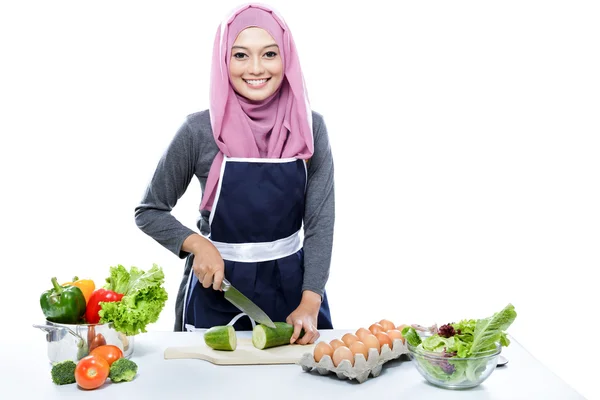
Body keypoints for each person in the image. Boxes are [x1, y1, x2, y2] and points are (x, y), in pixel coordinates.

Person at [134, 3, 334, 345]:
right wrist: (197, 245)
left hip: (293, 291)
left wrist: (310, 300)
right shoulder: (199, 131)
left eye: (269, 53)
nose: (256, 68)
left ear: (286, 57)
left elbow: (319, 223)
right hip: (219, 291)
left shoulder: (310, 127)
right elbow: (150, 211)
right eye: (240, 55)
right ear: (223, 60)